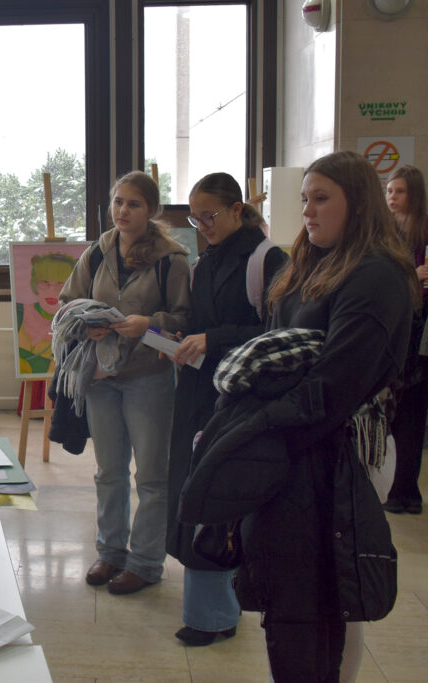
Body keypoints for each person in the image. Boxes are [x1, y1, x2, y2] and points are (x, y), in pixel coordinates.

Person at [232, 151, 418, 680]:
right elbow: (275, 350)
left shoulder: (376, 274)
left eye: (321, 199)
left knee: (332, 590)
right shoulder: (311, 262)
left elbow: (334, 386)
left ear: (357, 204)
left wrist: (258, 432)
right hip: (298, 442)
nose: (308, 211)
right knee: (296, 590)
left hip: (345, 449)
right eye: (304, 199)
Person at [166, 173, 288, 646]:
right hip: (199, 391)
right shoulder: (204, 263)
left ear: (238, 209)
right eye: (195, 219)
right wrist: (179, 341)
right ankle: (213, 611)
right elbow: (202, 324)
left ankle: (215, 615)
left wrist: (212, 338)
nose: (202, 226)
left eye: (210, 216)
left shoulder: (267, 259)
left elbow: (277, 333)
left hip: (241, 397)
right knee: (194, 492)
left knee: (220, 496)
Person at [59, 170, 191, 595]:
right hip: (101, 375)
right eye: (118, 202)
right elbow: (67, 303)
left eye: (133, 204)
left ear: (151, 210)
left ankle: (146, 562)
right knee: (108, 471)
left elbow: (186, 319)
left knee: (151, 476)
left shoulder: (172, 258)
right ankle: (110, 551)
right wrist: (86, 324)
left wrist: (147, 323)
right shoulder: (98, 252)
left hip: (148, 377)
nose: (123, 211)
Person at [384, 165, 428, 514]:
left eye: (399, 191)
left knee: (413, 416)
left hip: (420, 335)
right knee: (393, 415)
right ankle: (393, 488)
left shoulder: (423, 233)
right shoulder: (386, 234)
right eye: (389, 191)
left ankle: (407, 491)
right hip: (396, 328)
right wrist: (413, 276)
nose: (392, 197)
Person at [17, 252, 78, 374]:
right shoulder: (19, 312)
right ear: (35, 284)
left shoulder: (78, 321)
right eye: (45, 282)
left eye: (61, 283)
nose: (52, 290)